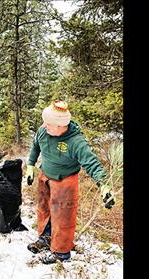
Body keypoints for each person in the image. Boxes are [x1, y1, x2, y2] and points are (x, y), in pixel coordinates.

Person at [25, 100, 116, 264]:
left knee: (63, 217)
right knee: (44, 209)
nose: (45, 126)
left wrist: (104, 185)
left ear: (61, 126)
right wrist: (30, 165)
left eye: (49, 124)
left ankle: (61, 253)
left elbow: (91, 163)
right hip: (45, 176)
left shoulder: (76, 142)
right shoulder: (43, 131)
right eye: (45, 123)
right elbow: (35, 146)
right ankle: (46, 238)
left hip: (65, 181)